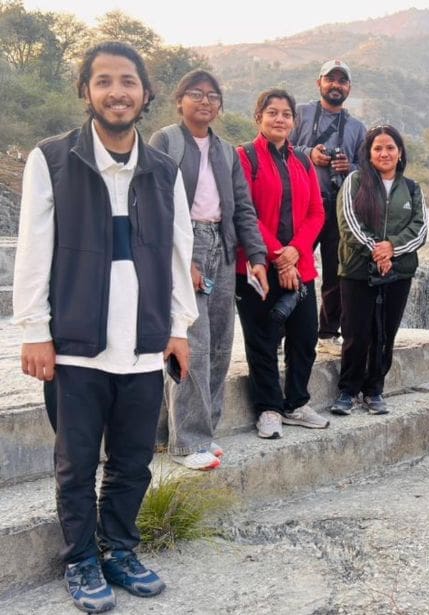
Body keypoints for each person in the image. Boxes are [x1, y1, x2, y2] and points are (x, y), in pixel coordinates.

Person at [12, 41, 197, 612]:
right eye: (104, 81)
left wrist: (179, 327)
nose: (117, 92)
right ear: (86, 91)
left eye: (128, 81)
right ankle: (81, 559)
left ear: (146, 93)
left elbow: (179, 252)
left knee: (133, 461)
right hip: (75, 344)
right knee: (75, 464)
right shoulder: (52, 159)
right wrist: (34, 330)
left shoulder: (164, 169)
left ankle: (119, 549)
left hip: (142, 343)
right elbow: (34, 249)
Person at [149, 70, 269, 471]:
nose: (205, 101)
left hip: (223, 244)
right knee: (191, 345)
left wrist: (257, 257)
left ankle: (198, 430)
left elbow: (243, 207)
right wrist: (183, 262)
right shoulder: (166, 141)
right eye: (196, 94)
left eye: (213, 96)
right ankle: (188, 442)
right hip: (185, 243)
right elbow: (154, 204)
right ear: (179, 100)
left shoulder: (226, 151)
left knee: (219, 344)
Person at [235, 88, 328, 440]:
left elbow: (316, 212)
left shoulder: (302, 160)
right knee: (261, 340)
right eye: (272, 112)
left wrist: (295, 251)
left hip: (299, 265)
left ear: (294, 121)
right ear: (258, 116)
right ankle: (269, 408)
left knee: (304, 336)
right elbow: (245, 212)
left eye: (286, 114)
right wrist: (278, 255)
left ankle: (296, 403)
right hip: (257, 266)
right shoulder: (244, 157)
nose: (279, 119)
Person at [329, 125, 427, 415]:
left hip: (398, 273)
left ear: (400, 153)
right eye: (378, 148)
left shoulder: (412, 188)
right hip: (358, 270)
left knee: (385, 333)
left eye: (390, 148)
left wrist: (392, 248)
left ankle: (374, 390)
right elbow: (348, 224)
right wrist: (377, 251)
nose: (384, 153)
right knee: (355, 332)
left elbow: (420, 229)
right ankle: (348, 390)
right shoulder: (355, 181)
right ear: (369, 154)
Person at [289, 59, 367, 351]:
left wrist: (350, 167)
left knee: (335, 272)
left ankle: (327, 333)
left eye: (342, 81)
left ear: (349, 88)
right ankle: (284, 329)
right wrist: (309, 153)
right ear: (318, 82)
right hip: (303, 205)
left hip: (338, 207)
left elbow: (367, 169)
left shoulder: (358, 128)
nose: (336, 85)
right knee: (293, 264)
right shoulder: (300, 113)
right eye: (330, 79)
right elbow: (281, 145)